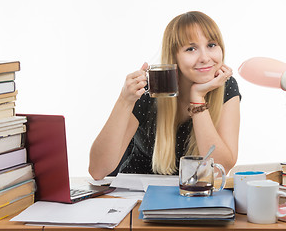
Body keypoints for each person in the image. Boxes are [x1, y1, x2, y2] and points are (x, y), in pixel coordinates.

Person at [89, 11, 241, 180]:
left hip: (190, 196)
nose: (205, 58)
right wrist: (124, 100)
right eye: (191, 48)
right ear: (174, 55)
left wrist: (197, 98)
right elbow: (97, 170)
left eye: (211, 45)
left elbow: (220, 168)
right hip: (137, 197)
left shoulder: (226, 86)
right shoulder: (150, 90)